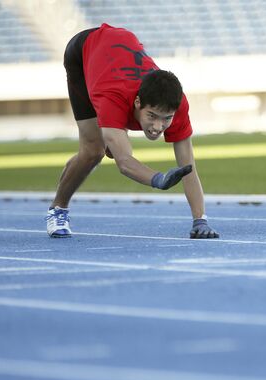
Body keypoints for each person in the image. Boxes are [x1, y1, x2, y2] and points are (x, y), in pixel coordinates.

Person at [45, 23, 219, 239]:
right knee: (94, 151)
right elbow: (125, 163)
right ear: (137, 103)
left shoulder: (178, 105)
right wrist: (159, 179)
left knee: (112, 142)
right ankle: (58, 209)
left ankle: (114, 134)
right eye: (152, 116)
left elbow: (188, 167)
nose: (158, 127)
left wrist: (199, 219)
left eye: (166, 119)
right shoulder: (112, 97)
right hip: (82, 52)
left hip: (120, 47)